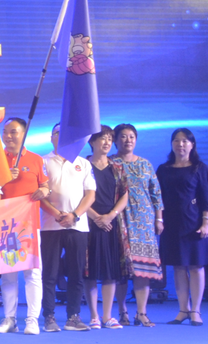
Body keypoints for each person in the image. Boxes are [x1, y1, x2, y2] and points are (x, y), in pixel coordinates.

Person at [0, 117, 50, 335]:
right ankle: (9, 319)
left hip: (29, 224)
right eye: (5, 131)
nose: (8, 136)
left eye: (13, 132)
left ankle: (32, 320)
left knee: (32, 272)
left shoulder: (36, 159)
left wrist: (45, 191)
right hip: (4, 226)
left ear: (24, 134)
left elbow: (45, 186)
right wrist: (5, 177)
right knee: (8, 273)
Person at [39, 123, 96, 332]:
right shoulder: (43, 162)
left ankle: (73, 316)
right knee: (50, 274)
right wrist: (57, 214)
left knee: (76, 273)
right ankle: (49, 317)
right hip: (50, 226)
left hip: (78, 226)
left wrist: (74, 215)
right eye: (58, 133)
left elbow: (90, 194)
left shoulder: (83, 163)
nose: (62, 137)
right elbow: (38, 194)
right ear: (51, 137)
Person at [157, 127, 208, 326]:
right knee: (178, 267)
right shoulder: (163, 169)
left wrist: (206, 223)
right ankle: (183, 310)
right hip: (171, 224)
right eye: (176, 141)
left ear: (192, 145)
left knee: (196, 266)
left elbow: (207, 197)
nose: (180, 144)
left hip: (194, 224)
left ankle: (196, 310)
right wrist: (159, 220)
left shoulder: (199, 168)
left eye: (184, 141)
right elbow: (157, 197)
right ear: (171, 144)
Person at [112, 123, 164, 326]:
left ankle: (141, 312)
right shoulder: (110, 163)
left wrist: (159, 218)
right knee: (120, 271)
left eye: (132, 136)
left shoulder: (145, 164)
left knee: (144, 270)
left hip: (144, 223)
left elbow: (156, 193)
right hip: (119, 220)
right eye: (123, 136)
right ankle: (122, 312)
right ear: (115, 140)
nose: (128, 140)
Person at [84, 127, 129, 329]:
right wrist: (95, 217)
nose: (107, 142)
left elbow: (124, 195)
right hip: (88, 222)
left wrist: (110, 216)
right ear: (92, 142)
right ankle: (94, 316)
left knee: (111, 271)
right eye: (102, 138)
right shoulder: (82, 166)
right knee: (90, 271)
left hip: (111, 224)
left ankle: (108, 316)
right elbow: (77, 196)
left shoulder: (117, 167)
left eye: (110, 139)